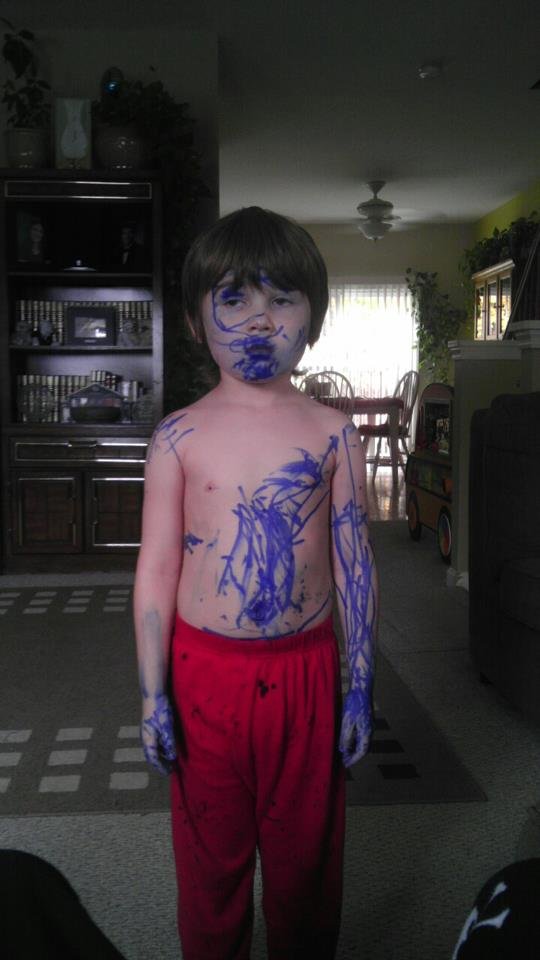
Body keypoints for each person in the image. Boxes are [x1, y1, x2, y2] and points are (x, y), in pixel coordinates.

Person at [133, 206, 378, 959]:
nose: (260, 319)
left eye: (282, 298)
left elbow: (355, 563)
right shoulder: (176, 437)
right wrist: (151, 693)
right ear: (195, 320)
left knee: (308, 858)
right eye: (234, 298)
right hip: (205, 675)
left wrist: (360, 683)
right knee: (211, 857)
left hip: (306, 672)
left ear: (314, 317)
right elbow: (157, 570)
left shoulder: (334, 433)